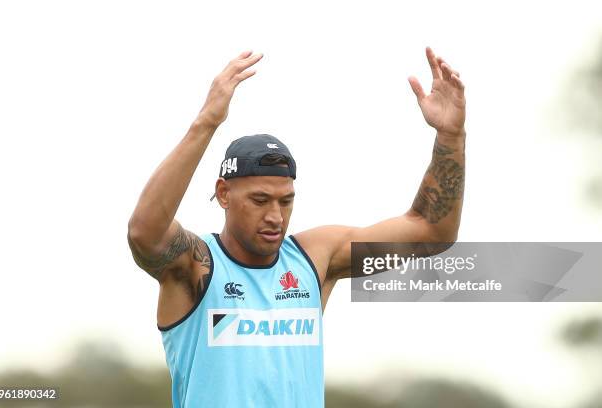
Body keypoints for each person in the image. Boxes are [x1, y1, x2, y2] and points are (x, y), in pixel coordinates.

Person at [127, 47, 466, 407]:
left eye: (285, 201)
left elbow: (431, 233)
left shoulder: (314, 259)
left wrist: (451, 137)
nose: (275, 215)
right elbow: (144, 232)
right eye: (260, 201)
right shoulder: (195, 265)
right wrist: (207, 122)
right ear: (223, 194)